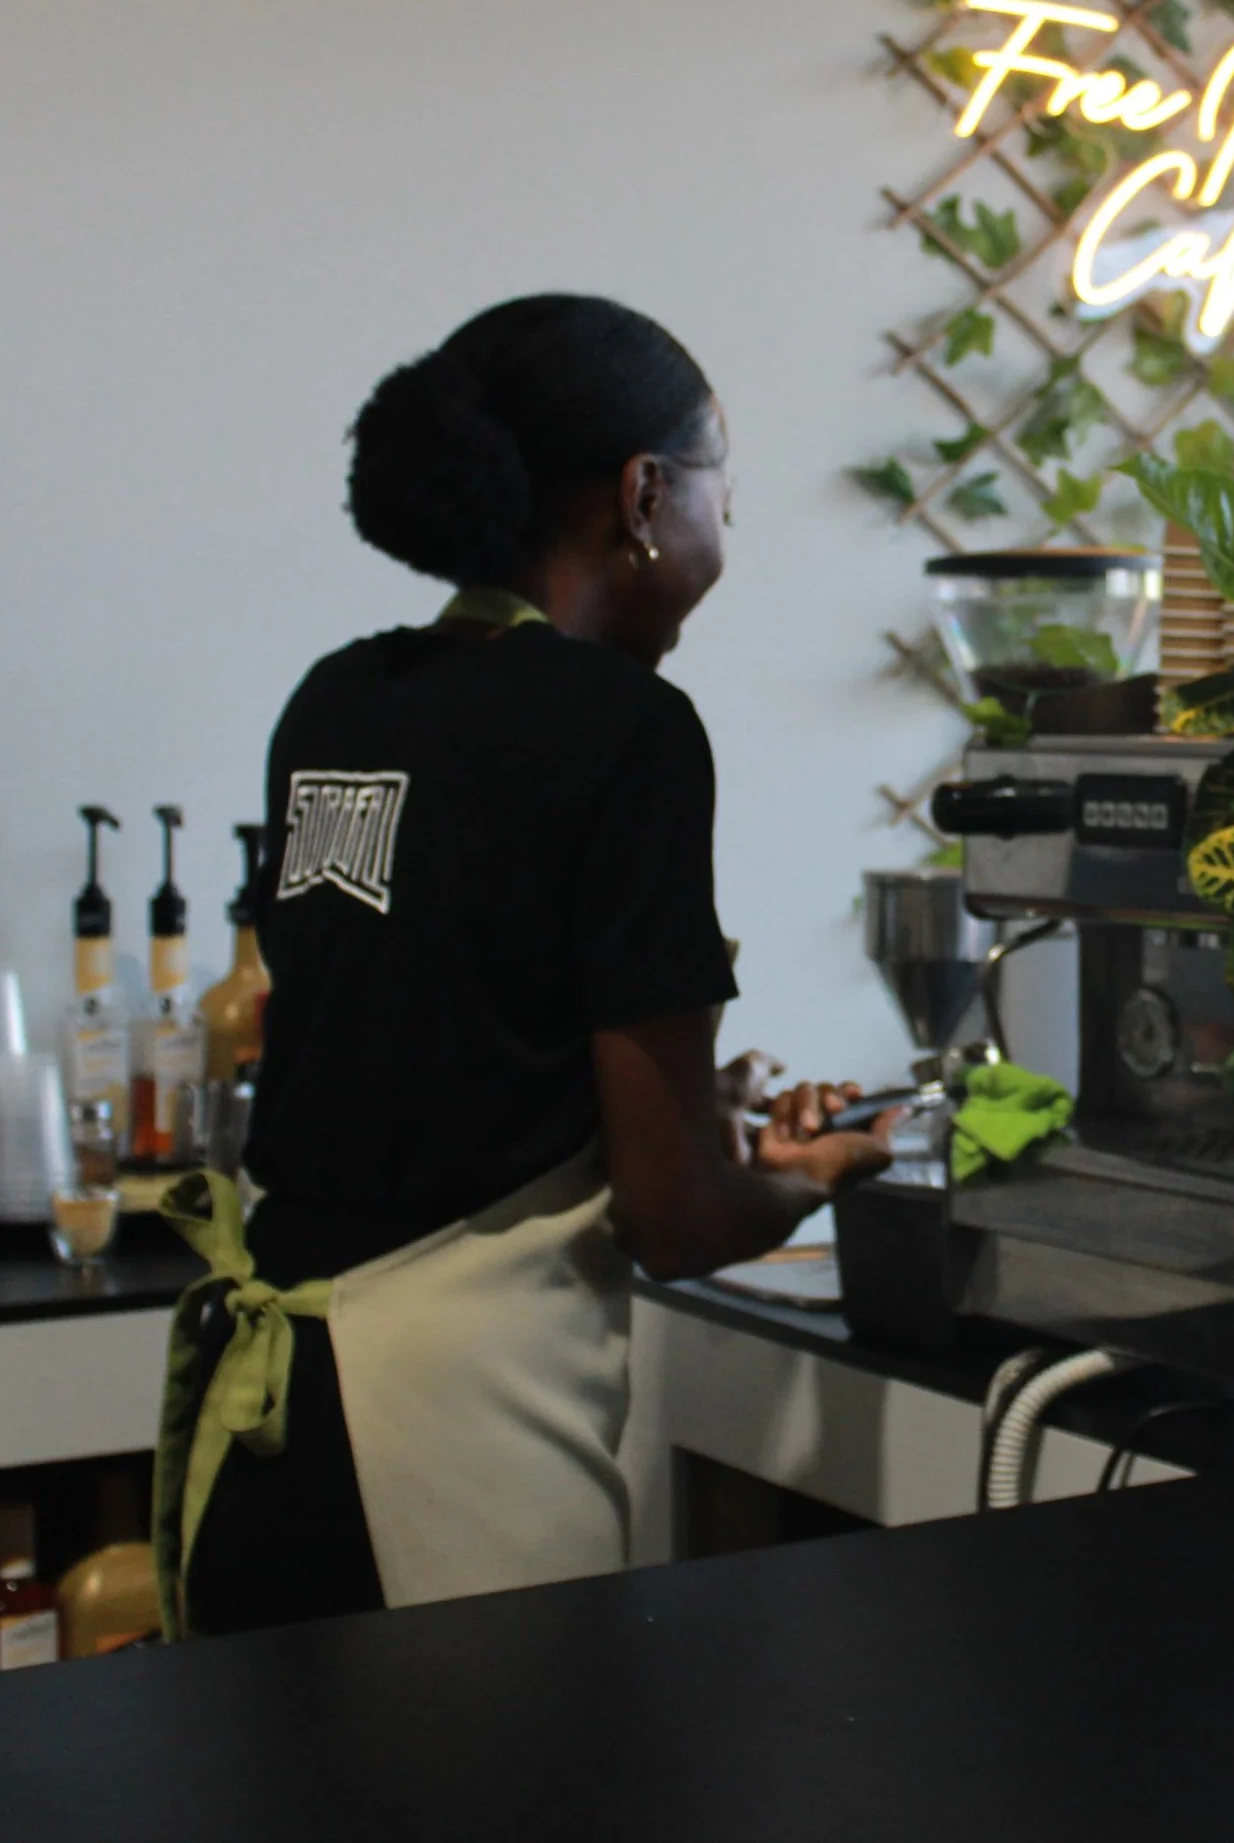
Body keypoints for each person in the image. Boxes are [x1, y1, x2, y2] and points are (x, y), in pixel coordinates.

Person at [159, 295, 891, 1637]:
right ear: (647, 494)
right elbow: (674, 1223)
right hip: (448, 1445)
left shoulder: (334, 698)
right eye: (727, 481)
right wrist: (803, 1180)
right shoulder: (628, 730)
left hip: (264, 1428)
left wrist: (675, 1104)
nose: (733, 525)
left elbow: (432, 1036)